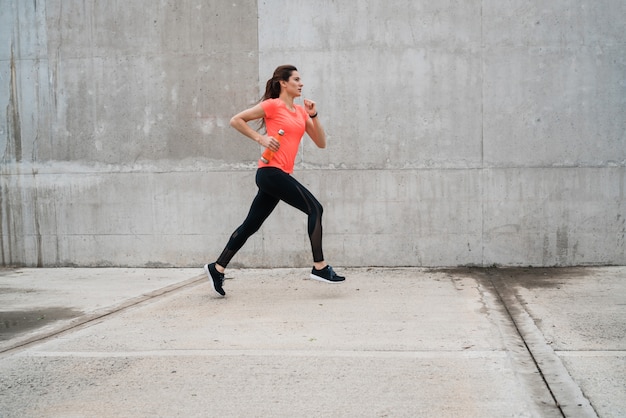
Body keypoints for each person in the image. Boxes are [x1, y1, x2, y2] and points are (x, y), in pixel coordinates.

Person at [204, 65, 345, 296]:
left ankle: (217, 267)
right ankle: (319, 266)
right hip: (270, 172)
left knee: (251, 224)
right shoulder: (272, 106)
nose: (301, 84)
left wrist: (314, 115)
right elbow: (236, 120)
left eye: (301, 80)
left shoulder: (300, 112)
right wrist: (261, 138)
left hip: (280, 175)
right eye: (297, 79)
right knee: (315, 209)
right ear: (283, 82)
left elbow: (321, 142)